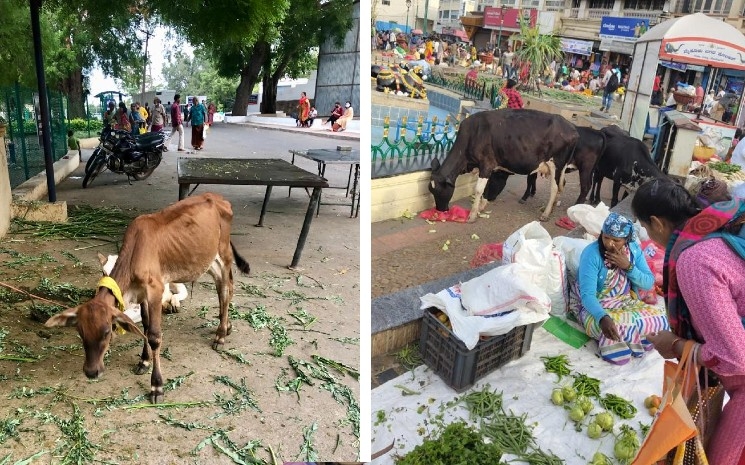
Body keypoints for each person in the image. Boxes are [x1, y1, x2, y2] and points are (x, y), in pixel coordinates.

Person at [632, 179, 745, 464]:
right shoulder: (719, 229)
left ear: (656, 223)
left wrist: (677, 344)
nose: (646, 233)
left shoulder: (696, 261)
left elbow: (735, 358)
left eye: (644, 227)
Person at [574, 212, 667, 365]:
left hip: (625, 301)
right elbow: (587, 295)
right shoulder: (591, 254)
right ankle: (620, 347)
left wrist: (628, 267)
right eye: (606, 237)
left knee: (661, 319)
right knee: (618, 326)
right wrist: (602, 317)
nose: (609, 244)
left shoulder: (634, 250)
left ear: (626, 240)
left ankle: (630, 341)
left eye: (616, 240)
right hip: (595, 306)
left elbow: (648, 283)